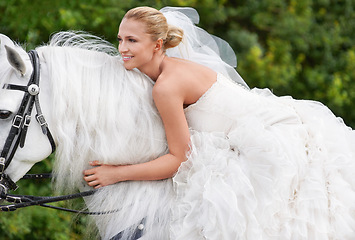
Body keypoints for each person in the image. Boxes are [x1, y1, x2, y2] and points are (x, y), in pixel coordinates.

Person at [83, 6, 355, 239]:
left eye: (132, 40)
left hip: (264, 141)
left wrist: (115, 173)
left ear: (156, 45)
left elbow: (179, 158)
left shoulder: (166, 87)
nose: (122, 49)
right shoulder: (170, 67)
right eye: (120, 39)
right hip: (266, 121)